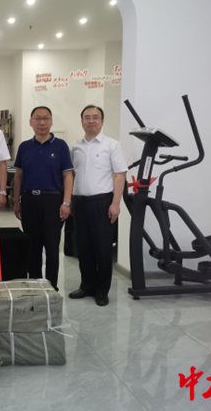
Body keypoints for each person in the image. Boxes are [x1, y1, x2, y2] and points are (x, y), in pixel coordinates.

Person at [69, 105, 127, 307]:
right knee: (83, 248)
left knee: (102, 249)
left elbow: (120, 175)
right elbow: (70, 175)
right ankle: (87, 286)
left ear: (102, 122)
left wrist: (116, 203)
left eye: (95, 117)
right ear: (82, 122)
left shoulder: (112, 145)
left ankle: (102, 291)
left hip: (103, 203)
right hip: (79, 202)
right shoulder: (74, 146)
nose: (91, 120)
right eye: (87, 117)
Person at [13, 106, 73, 291]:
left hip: (53, 202)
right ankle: (35, 286)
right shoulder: (24, 147)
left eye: (46, 118)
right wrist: (16, 201)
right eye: (38, 118)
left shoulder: (60, 146)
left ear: (51, 121)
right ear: (31, 122)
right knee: (33, 246)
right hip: (29, 201)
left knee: (52, 246)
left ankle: (51, 287)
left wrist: (66, 202)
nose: (42, 122)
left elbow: (68, 175)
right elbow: (19, 176)